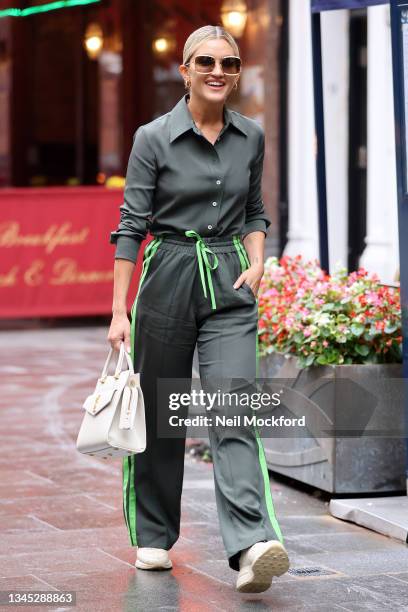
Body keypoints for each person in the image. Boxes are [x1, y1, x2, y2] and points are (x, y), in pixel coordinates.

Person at [107, 24, 290, 593]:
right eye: (206, 61)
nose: (218, 71)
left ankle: (251, 545)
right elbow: (131, 226)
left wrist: (257, 258)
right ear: (185, 69)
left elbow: (255, 208)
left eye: (230, 63)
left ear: (237, 74)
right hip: (165, 278)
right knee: (163, 418)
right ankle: (155, 537)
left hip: (229, 281)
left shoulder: (251, 136)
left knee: (234, 408)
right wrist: (119, 311)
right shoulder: (152, 138)